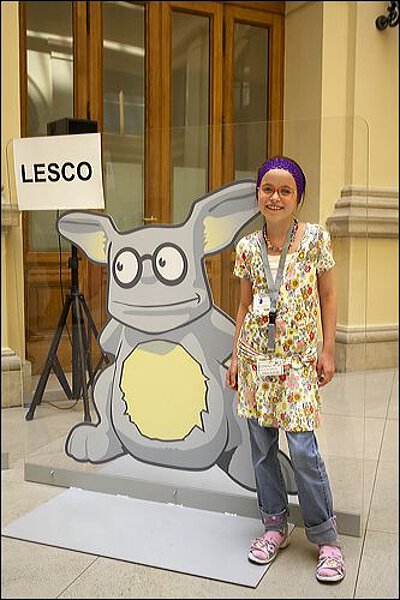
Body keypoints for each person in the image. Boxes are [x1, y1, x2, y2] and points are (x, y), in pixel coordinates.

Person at [226, 155, 345, 583]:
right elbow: (244, 305)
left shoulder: (314, 239)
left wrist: (327, 350)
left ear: (298, 198)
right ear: (258, 194)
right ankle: (274, 526)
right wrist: (236, 357)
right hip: (257, 362)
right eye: (267, 189)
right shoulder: (247, 248)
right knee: (261, 449)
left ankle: (326, 538)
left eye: (285, 190)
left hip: (297, 362)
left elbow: (327, 296)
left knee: (303, 450)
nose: (275, 197)